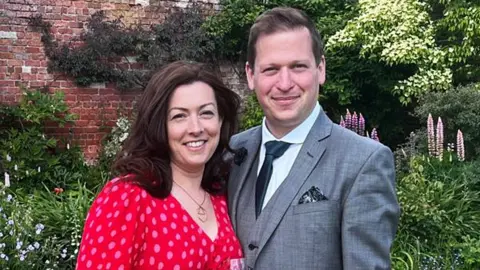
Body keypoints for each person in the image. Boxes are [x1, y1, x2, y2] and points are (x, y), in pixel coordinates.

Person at [227, 7, 400, 269]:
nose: (284, 83)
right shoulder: (231, 153)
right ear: (251, 75)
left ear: (320, 69)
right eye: (271, 69)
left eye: (298, 66)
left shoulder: (363, 161)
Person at [76, 61, 244, 270]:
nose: (196, 128)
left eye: (206, 113)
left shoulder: (223, 195)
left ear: (220, 120)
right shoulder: (128, 198)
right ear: (159, 126)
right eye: (179, 116)